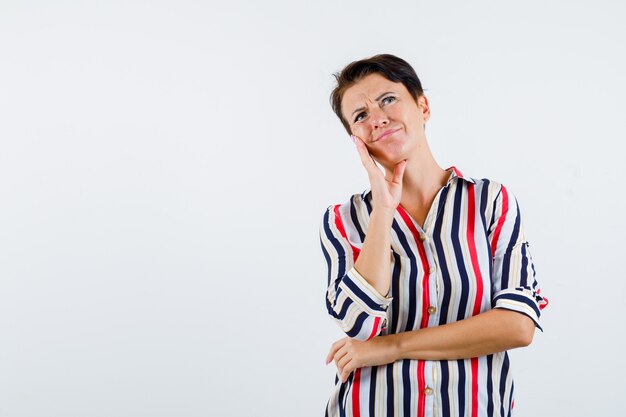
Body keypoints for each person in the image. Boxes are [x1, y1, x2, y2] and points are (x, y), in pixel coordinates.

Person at [318, 54, 549, 417]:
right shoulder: (343, 221)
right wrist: (383, 211)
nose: (377, 118)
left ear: (422, 106)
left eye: (388, 99)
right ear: (355, 138)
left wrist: (392, 347)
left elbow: (518, 325)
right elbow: (359, 325)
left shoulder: (489, 202)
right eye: (360, 116)